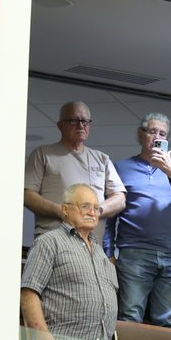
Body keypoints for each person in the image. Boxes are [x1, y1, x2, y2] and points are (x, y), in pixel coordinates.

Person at [20, 184, 119, 340]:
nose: (93, 213)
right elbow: (29, 292)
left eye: (96, 208)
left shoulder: (100, 251)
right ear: (65, 210)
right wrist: (40, 334)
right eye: (85, 206)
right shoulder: (49, 243)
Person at [109, 112, 171, 327]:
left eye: (162, 134)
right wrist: (108, 253)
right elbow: (110, 216)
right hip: (134, 253)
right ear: (141, 135)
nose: (157, 137)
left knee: (167, 322)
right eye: (153, 131)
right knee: (130, 316)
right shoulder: (121, 167)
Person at [24, 101, 125, 246]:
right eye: (73, 120)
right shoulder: (43, 154)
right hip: (54, 241)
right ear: (60, 125)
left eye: (85, 121)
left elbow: (120, 198)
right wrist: (61, 211)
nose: (80, 125)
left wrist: (97, 211)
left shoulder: (102, 159)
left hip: (92, 245)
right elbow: (27, 194)